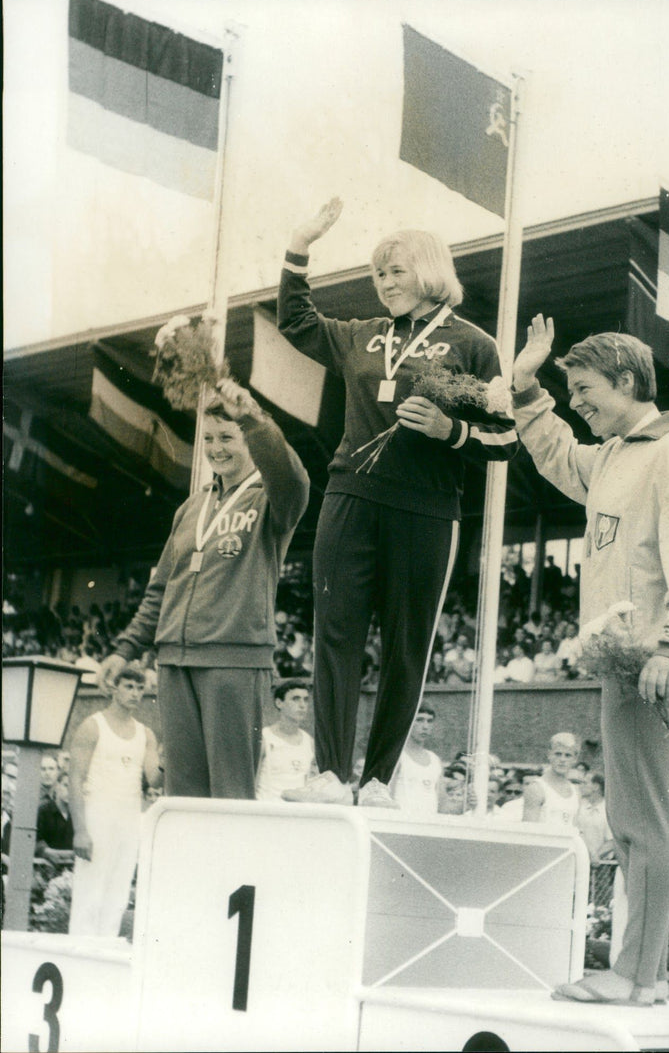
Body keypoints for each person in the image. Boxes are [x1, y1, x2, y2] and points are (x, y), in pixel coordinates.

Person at [513, 317, 669, 1006]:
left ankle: (639, 976)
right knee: (633, 821)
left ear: (628, 382)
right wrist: (527, 389)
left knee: (646, 823)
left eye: (584, 389)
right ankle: (642, 976)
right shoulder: (613, 454)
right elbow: (555, 455)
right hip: (624, 660)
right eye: (570, 390)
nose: (575, 400)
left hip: (656, 662)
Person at [278, 198, 517, 808]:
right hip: (350, 497)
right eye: (378, 274)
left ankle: (379, 780)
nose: (384, 283)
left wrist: (449, 431)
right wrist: (299, 248)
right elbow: (297, 321)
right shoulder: (361, 337)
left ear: (430, 271)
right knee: (336, 633)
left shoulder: (473, 346)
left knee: (406, 647)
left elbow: (505, 438)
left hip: (425, 512)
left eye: (396, 271)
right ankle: (331, 773)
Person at [99, 380, 310, 799]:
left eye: (228, 437)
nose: (217, 448)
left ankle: (228, 867)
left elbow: (293, 475)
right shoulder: (190, 508)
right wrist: (124, 649)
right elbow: (160, 589)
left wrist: (252, 416)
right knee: (183, 790)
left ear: (249, 438)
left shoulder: (272, 498)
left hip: (233, 658)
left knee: (232, 789)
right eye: (209, 438)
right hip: (174, 662)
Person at [69, 665, 161, 936]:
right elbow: (75, 779)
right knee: (90, 892)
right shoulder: (92, 726)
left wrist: (170, 759)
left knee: (118, 892)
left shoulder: (146, 734)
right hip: (96, 817)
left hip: (129, 819)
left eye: (140, 688)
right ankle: (81, 954)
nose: (135, 694)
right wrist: (80, 831)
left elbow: (154, 779)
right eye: (129, 687)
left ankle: (105, 951)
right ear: (114, 688)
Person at [255, 679, 315, 803]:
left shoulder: (309, 742)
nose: (302, 705)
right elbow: (251, 783)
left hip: (299, 816)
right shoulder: (264, 738)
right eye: (295, 699)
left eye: (306, 699)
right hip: (268, 813)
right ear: (279, 703)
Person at [389, 705, 443, 815]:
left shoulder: (435, 760)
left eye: (429, 721)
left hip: (429, 825)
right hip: (402, 824)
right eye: (419, 720)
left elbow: (443, 804)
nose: (425, 726)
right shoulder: (397, 756)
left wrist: (468, 802)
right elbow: (387, 798)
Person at [522, 733, 581, 826]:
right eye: (558, 754)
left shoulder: (576, 791)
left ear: (575, 759)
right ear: (549, 755)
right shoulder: (536, 788)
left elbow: (574, 829)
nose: (562, 759)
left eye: (568, 755)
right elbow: (528, 831)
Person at [35, 770, 74, 869]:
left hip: (73, 869)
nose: (70, 791)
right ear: (57, 786)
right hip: (46, 868)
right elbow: (36, 842)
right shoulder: (43, 811)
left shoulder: (79, 816)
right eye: (66, 785)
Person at [576, 772, 615, 864]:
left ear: (596, 787)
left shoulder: (609, 811)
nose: (580, 786)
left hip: (602, 866)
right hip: (579, 862)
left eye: (584, 783)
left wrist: (596, 856)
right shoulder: (579, 807)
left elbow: (613, 841)